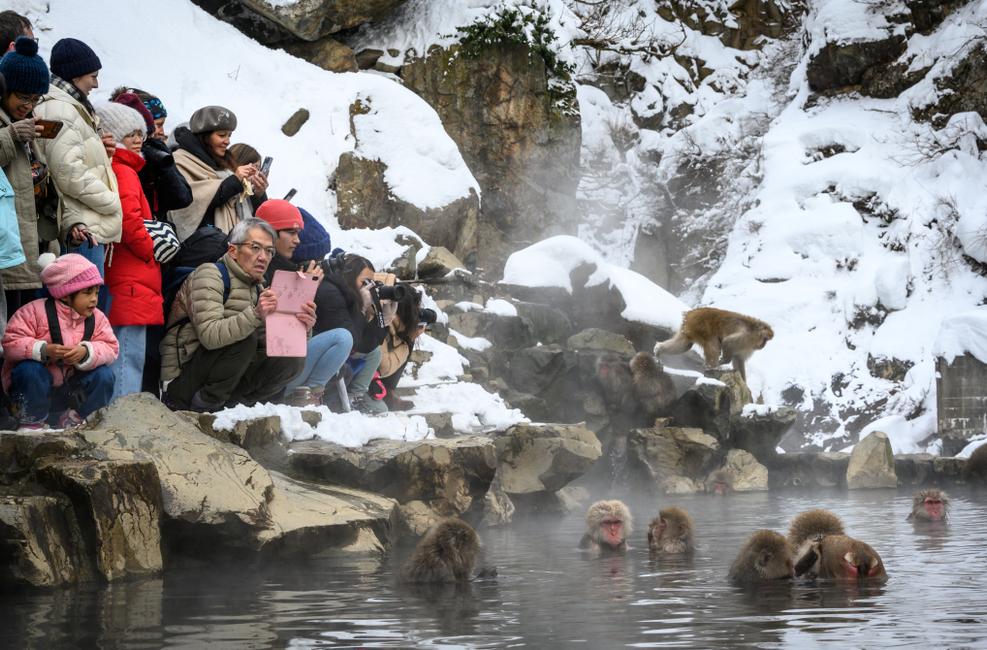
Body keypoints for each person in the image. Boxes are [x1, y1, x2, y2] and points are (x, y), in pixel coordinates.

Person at [160, 217, 313, 411]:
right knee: (244, 339)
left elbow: (269, 343)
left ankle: (239, 406)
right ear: (233, 250)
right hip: (182, 382)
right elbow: (209, 336)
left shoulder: (258, 287)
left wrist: (301, 327)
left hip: (223, 380)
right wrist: (256, 315)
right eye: (255, 247)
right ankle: (204, 407)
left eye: (269, 251)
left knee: (290, 356)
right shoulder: (209, 274)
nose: (263, 257)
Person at [34, 37, 122, 301]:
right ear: (75, 74)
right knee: (79, 314)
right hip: (81, 227)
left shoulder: (71, 107)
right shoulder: (62, 109)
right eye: (92, 76)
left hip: (82, 223)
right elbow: (67, 170)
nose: (96, 84)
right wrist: (110, 200)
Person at [95, 101, 164, 402]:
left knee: (125, 351)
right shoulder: (124, 171)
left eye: (140, 132)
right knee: (128, 355)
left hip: (128, 273)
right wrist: (152, 249)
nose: (139, 139)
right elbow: (129, 219)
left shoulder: (123, 168)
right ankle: (121, 419)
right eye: (130, 133)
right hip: (132, 273)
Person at [1, 253, 118, 430]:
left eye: (96, 292)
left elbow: (111, 348)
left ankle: (79, 418)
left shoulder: (97, 319)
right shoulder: (33, 312)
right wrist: (43, 350)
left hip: (71, 389)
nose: (94, 299)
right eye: (87, 292)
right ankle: (31, 421)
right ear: (65, 294)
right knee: (29, 370)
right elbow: (10, 344)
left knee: (104, 375)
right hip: (36, 390)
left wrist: (87, 352)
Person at [256, 199, 348, 406]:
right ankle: (298, 397)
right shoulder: (261, 272)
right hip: (263, 370)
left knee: (343, 340)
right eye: (291, 232)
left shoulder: (290, 270)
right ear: (269, 233)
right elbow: (283, 342)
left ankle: (309, 395)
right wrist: (300, 290)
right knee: (342, 337)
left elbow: (296, 340)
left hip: (280, 366)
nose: (298, 240)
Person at [168, 106, 268, 242]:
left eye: (229, 135)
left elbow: (243, 206)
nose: (227, 141)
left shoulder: (225, 162)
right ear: (205, 136)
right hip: (201, 250)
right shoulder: (181, 160)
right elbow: (189, 204)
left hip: (227, 245)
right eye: (221, 135)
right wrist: (234, 181)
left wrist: (258, 194)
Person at [0, 37, 48, 320]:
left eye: (36, 98)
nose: (28, 105)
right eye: (23, 97)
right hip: (8, 241)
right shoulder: (10, 125)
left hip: (29, 236)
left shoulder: (26, 120)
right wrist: (11, 136)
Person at [313, 253, 390, 414]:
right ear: (349, 277)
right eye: (364, 282)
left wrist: (385, 318)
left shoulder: (350, 295)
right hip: (321, 361)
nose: (368, 287)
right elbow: (351, 341)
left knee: (381, 409)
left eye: (371, 282)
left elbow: (367, 345)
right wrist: (361, 309)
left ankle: (356, 396)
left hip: (340, 358)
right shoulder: (331, 292)